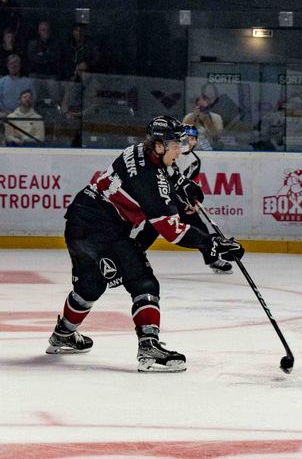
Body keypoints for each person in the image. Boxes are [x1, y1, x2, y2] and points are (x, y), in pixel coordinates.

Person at [45, 116, 245, 371]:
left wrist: (184, 185)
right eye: (175, 144)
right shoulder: (149, 179)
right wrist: (213, 244)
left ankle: (63, 334)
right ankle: (149, 347)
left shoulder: (139, 150)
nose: (180, 149)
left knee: (90, 285)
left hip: (79, 218)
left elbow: (167, 174)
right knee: (143, 280)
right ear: (160, 146)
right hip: (102, 228)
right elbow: (171, 230)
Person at [131, 124, 233, 274]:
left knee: (199, 226)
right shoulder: (170, 152)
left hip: (181, 201)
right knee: (151, 228)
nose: (190, 141)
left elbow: (192, 183)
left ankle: (212, 259)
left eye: (193, 139)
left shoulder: (194, 160)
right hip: (163, 198)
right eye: (187, 138)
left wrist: (194, 202)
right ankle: (132, 257)